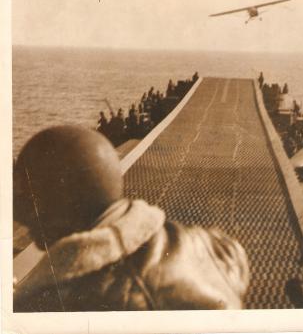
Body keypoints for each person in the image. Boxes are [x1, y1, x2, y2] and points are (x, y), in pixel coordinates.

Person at [13, 126, 249, 312]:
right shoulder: (213, 245)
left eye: (29, 197)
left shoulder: (83, 298)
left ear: (65, 200)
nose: (21, 215)